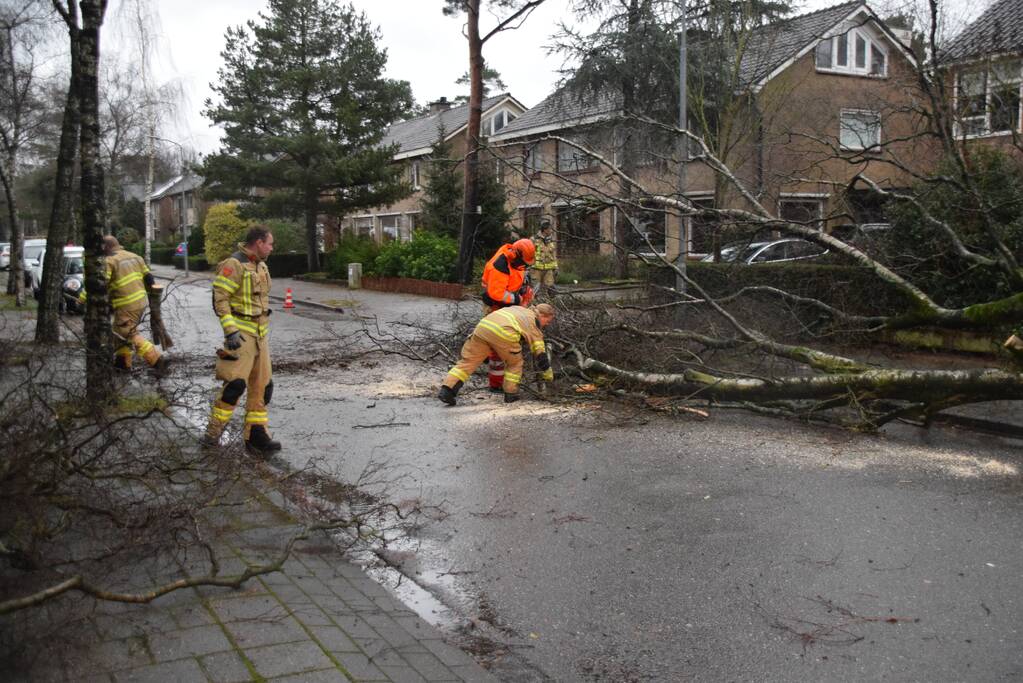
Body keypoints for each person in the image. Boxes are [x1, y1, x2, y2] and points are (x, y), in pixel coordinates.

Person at [203, 227, 280, 454]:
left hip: (261, 336)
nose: (271, 248)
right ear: (258, 242)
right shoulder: (233, 265)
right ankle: (212, 434)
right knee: (235, 385)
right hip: (241, 336)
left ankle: (256, 435)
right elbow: (221, 299)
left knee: (262, 387)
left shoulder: (261, 265)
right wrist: (230, 330)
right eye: (269, 244)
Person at [439, 303, 555, 406]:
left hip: (482, 328)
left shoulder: (519, 309)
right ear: (542, 315)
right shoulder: (533, 321)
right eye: (548, 321)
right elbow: (539, 352)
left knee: (468, 362)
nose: (547, 324)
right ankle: (511, 394)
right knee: (515, 363)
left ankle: (447, 390)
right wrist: (547, 371)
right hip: (503, 332)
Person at [90, 235, 169, 375]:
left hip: (125, 304)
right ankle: (122, 364)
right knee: (119, 332)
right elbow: (149, 278)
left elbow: (100, 284)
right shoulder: (135, 257)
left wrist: (84, 297)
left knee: (128, 333)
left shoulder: (109, 261)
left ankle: (157, 359)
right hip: (140, 302)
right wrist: (154, 300)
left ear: (106, 247)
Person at [481, 237, 536, 390]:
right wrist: (517, 298)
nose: (524, 266)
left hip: (508, 303)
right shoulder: (499, 266)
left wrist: (524, 288)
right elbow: (497, 294)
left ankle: (485, 351)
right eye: (523, 262)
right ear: (516, 255)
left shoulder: (517, 261)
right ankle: (496, 383)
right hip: (495, 304)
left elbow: (520, 274)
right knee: (497, 344)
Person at [532, 219, 558, 297]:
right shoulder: (534, 240)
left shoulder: (551, 241)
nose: (551, 231)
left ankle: (549, 305)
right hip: (536, 269)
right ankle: (534, 305)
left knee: (550, 289)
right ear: (545, 230)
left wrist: (556, 267)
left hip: (548, 270)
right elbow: (528, 253)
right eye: (550, 229)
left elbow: (553, 255)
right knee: (535, 290)